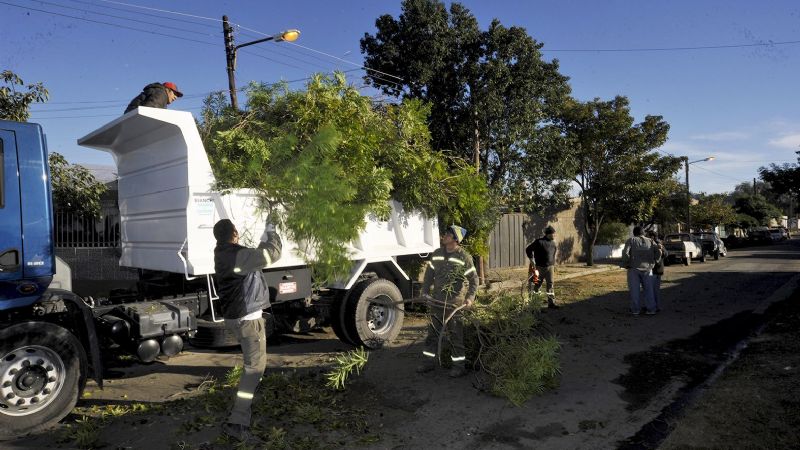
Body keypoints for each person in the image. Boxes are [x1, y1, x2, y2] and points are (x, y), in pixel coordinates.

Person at [213, 217, 282, 441]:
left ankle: (244, 406)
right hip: (248, 320)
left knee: (252, 367)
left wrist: (262, 240)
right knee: (254, 369)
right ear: (234, 233)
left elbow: (254, 259)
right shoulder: (238, 255)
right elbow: (273, 253)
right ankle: (238, 421)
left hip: (237, 317)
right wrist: (271, 230)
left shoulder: (222, 252)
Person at [417, 224, 479, 378]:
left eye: (447, 235)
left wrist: (469, 298)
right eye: (445, 234)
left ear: (455, 239)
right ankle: (428, 363)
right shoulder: (437, 253)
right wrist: (424, 292)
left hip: (454, 304)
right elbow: (429, 276)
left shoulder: (464, 257)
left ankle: (459, 366)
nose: (444, 236)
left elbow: (474, 280)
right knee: (432, 334)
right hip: (437, 301)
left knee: (456, 336)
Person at [621, 226, 662, 316]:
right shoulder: (651, 241)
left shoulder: (631, 240)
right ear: (643, 233)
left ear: (634, 233)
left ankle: (635, 310)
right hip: (648, 269)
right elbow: (658, 252)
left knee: (634, 291)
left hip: (633, 269)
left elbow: (625, 253)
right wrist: (655, 261)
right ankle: (651, 309)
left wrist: (626, 263)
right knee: (649, 290)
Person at [525, 225, 558, 308]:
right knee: (537, 285)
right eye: (553, 234)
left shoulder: (553, 244)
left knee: (550, 284)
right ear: (548, 234)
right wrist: (532, 260)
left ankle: (551, 303)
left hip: (550, 268)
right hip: (539, 268)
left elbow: (553, 255)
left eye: (554, 234)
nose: (554, 235)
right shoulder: (539, 242)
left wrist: (554, 265)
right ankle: (535, 304)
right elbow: (528, 249)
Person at [647, 231, 666, 312]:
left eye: (647, 236)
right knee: (655, 290)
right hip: (657, 270)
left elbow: (666, 254)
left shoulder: (656, 244)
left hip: (655, 270)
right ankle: (656, 306)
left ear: (651, 237)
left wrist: (661, 248)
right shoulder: (657, 243)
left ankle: (655, 307)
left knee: (652, 290)